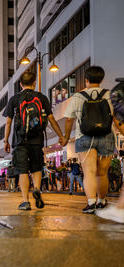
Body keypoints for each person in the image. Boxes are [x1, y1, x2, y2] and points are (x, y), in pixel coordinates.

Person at [62, 66, 123, 213]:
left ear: (86, 80)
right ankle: (102, 201)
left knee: (89, 172)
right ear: (101, 80)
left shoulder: (78, 96)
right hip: (106, 136)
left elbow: (69, 119)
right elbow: (117, 119)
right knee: (102, 173)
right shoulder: (110, 95)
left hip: (84, 137)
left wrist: (65, 137)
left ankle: (91, 203)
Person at [3, 72, 64, 210]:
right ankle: (37, 189)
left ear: (20, 84)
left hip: (20, 141)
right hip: (37, 140)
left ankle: (25, 201)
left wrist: (6, 141)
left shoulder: (15, 99)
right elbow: (51, 119)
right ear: (34, 83)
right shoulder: (41, 98)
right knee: (36, 168)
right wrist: (60, 135)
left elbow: (8, 122)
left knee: (23, 170)